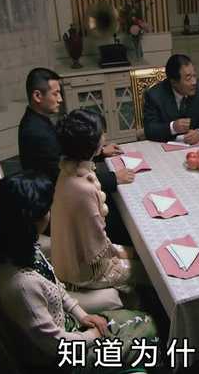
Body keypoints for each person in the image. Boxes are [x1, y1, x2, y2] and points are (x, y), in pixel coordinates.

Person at [0, 171, 158, 371]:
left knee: (142, 320)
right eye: (46, 210)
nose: (49, 213)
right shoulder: (23, 286)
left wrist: (81, 314)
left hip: (71, 327)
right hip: (67, 358)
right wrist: (91, 335)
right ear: (30, 222)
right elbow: (56, 346)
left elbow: (55, 286)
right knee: (150, 331)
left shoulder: (23, 248)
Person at [51, 109, 148, 292]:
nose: (105, 137)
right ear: (92, 144)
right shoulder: (83, 189)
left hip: (69, 255)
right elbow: (97, 247)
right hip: (86, 271)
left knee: (139, 251)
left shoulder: (68, 169)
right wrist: (126, 254)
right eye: (102, 134)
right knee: (149, 268)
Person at [18, 67, 132, 192]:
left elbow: (68, 152)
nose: (60, 99)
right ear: (37, 96)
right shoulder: (36, 133)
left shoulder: (37, 120)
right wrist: (114, 178)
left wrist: (100, 151)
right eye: (55, 94)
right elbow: (65, 178)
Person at [143, 54, 199, 143]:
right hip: (166, 144)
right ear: (174, 82)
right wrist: (173, 127)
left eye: (194, 75)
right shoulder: (154, 95)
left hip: (195, 144)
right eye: (188, 78)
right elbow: (150, 129)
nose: (194, 82)